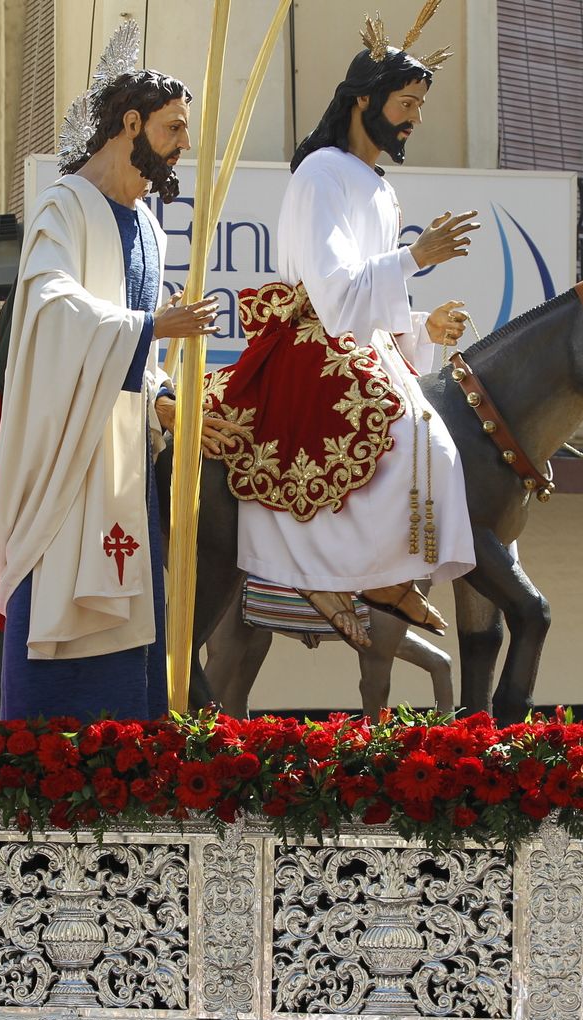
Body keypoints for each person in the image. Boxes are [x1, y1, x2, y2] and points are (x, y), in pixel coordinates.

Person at [205, 10, 479, 651]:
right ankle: (340, 575)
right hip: (312, 341)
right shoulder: (321, 173)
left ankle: (378, 576)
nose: (414, 118)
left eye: (419, 105)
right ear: (364, 100)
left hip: (358, 341)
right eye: (405, 103)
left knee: (437, 438)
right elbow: (334, 292)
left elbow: (370, 301)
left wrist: (421, 321)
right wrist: (415, 258)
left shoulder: (379, 189)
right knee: (418, 435)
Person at [0, 43, 239, 722]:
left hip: (124, 460)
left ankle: (128, 780)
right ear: (130, 124)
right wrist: (148, 326)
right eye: (173, 127)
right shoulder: (62, 207)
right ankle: (43, 780)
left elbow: (140, 369)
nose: (184, 144)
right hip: (69, 451)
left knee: (132, 622)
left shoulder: (152, 233)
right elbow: (49, 308)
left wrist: (167, 405)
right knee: (61, 610)